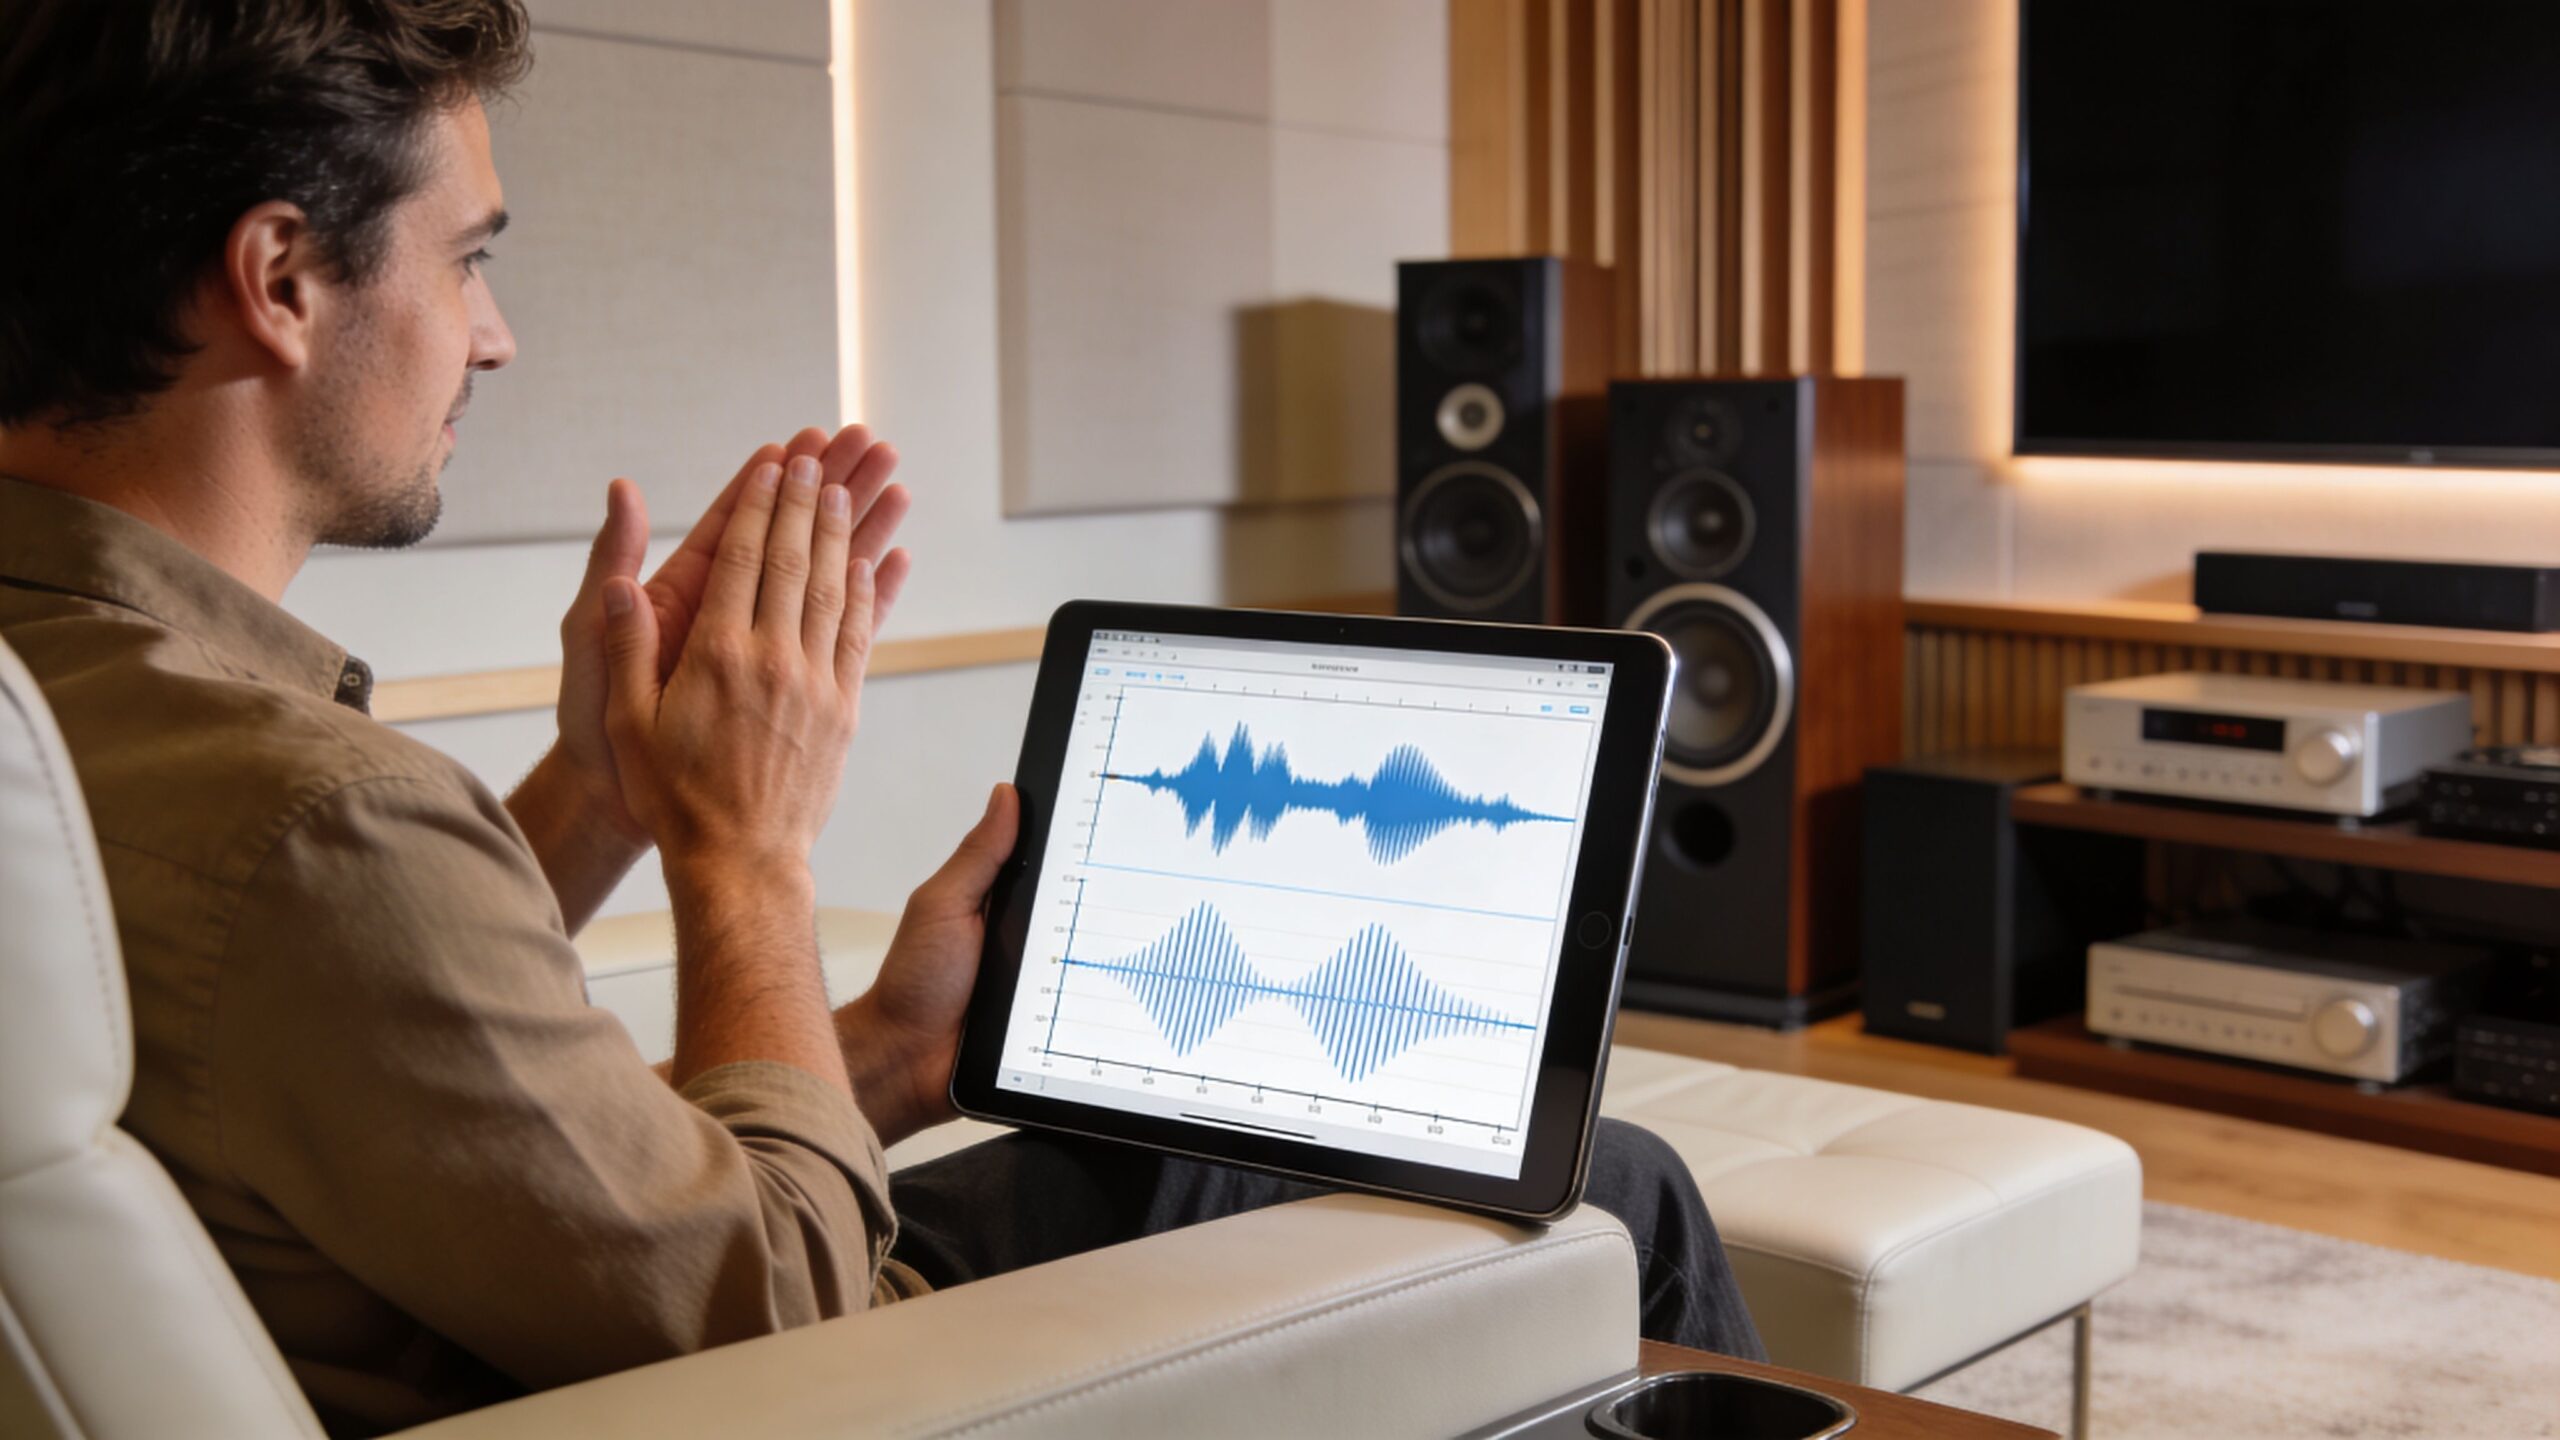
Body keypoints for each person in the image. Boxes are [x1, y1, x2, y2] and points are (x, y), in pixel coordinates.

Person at [0, 3, 1764, 1434]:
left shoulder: (82, 712)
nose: (495, 336)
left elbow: (380, 1072)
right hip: (774, 1373)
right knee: (1622, 1194)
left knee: (1182, 1157)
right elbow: (779, 1330)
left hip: (538, 1304)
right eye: (466, 261)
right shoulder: (313, 818)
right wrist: (743, 851)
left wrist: (619, 807)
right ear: (280, 278)